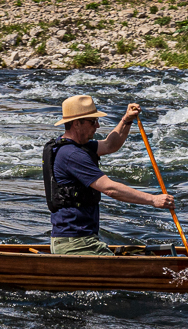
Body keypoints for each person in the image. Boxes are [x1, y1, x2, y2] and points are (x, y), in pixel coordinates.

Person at [42, 95, 174, 255]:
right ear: (77, 124)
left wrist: (126, 120)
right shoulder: (72, 155)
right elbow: (110, 188)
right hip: (76, 244)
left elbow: (111, 144)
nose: (97, 125)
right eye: (92, 121)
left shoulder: (78, 147)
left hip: (80, 240)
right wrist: (154, 200)